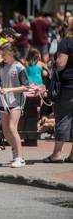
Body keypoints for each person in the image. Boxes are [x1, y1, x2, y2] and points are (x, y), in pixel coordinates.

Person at [44, 16, 73, 163]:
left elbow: (61, 63)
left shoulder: (66, 42)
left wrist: (53, 63)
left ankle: (57, 154)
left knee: (62, 118)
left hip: (67, 86)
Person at [0, 43, 29, 168]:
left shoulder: (20, 67)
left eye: (3, 54)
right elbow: (1, 82)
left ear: (11, 53)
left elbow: (26, 87)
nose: (2, 57)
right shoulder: (2, 66)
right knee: (5, 132)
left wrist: (9, 90)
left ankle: (20, 158)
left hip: (16, 102)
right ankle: (15, 153)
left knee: (12, 127)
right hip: (4, 102)